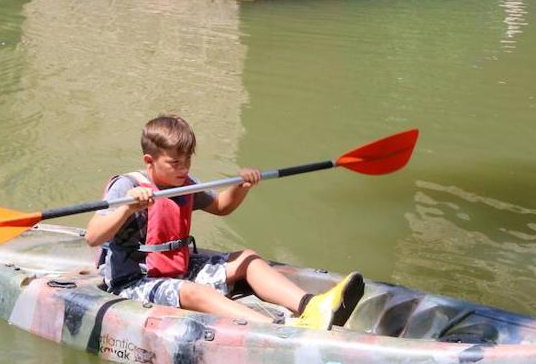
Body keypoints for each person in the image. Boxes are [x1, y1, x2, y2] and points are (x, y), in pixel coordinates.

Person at [85, 115, 362, 329]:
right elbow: (92, 237)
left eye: (188, 160)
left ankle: (311, 307)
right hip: (134, 280)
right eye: (175, 162)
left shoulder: (183, 184)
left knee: (248, 258)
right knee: (195, 292)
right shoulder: (126, 187)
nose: (184, 169)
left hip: (176, 268)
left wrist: (242, 186)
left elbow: (220, 206)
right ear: (149, 160)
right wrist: (126, 209)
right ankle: (276, 329)